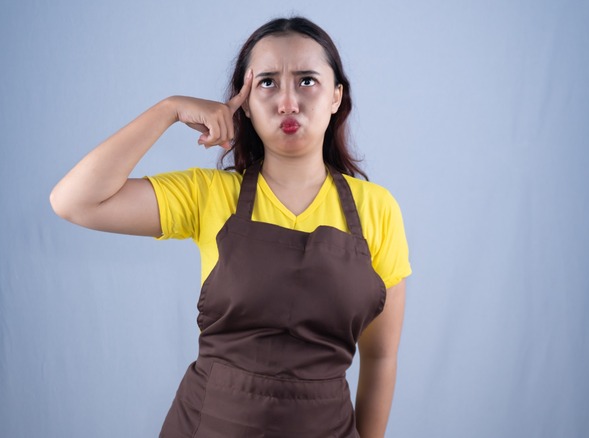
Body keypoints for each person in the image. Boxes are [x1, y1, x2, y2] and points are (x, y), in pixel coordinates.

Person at [50, 16, 411, 438]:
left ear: (336, 96)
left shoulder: (378, 209)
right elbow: (73, 201)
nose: (288, 102)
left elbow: (381, 358)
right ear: (244, 102)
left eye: (307, 81)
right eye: (268, 83)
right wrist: (168, 109)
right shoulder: (207, 195)